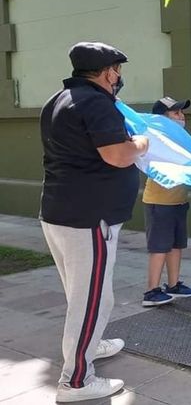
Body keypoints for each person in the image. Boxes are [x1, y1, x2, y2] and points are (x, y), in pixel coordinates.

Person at [40, 42, 149, 402]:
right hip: (89, 218)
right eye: (117, 70)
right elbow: (118, 155)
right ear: (106, 72)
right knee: (92, 300)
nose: (119, 77)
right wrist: (141, 144)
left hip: (61, 212)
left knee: (84, 294)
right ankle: (76, 382)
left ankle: (92, 344)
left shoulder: (59, 100)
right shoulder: (97, 103)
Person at [141, 97, 191, 307]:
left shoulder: (181, 139)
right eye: (175, 113)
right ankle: (151, 290)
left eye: (181, 113)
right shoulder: (155, 141)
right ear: (161, 119)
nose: (181, 116)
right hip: (159, 202)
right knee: (159, 246)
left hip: (178, 200)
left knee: (176, 245)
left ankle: (173, 284)